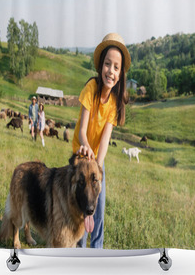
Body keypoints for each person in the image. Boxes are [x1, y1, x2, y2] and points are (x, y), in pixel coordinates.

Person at [72, 33, 131, 248]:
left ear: (120, 73)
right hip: (81, 155)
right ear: (101, 66)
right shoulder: (91, 89)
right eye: (108, 64)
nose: (111, 71)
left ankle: (96, 253)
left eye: (116, 67)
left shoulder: (114, 103)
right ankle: (78, 250)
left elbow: (105, 139)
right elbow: (82, 132)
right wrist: (86, 148)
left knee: (98, 209)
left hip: (97, 161)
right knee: (81, 206)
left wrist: (99, 164)